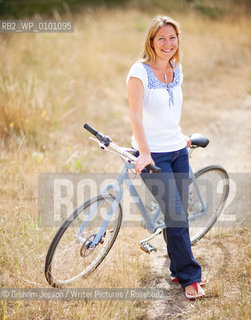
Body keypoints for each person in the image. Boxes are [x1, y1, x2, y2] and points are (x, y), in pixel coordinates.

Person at [127, 15, 206, 300]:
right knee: (175, 214)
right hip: (153, 156)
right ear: (151, 41)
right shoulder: (140, 72)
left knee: (178, 215)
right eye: (161, 38)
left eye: (172, 38)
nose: (167, 43)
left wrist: (179, 136)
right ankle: (189, 276)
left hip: (177, 151)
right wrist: (145, 152)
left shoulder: (176, 69)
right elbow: (135, 115)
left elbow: (169, 112)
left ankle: (177, 267)